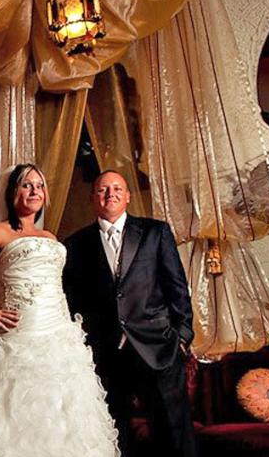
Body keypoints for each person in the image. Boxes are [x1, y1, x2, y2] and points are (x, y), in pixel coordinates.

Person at [0, 164, 119, 457]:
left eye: (39, 186)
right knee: (13, 412)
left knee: (62, 414)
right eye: (26, 185)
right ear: (13, 192)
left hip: (60, 336)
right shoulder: (1, 232)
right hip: (19, 336)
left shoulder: (50, 237)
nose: (34, 191)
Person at [63, 170, 196, 456]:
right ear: (93, 198)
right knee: (116, 434)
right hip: (105, 353)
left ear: (127, 196)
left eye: (116, 188)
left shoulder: (155, 232)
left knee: (174, 434)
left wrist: (182, 335)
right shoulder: (75, 245)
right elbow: (73, 300)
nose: (110, 194)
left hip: (159, 346)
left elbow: (177, 286)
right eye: (102, 190)